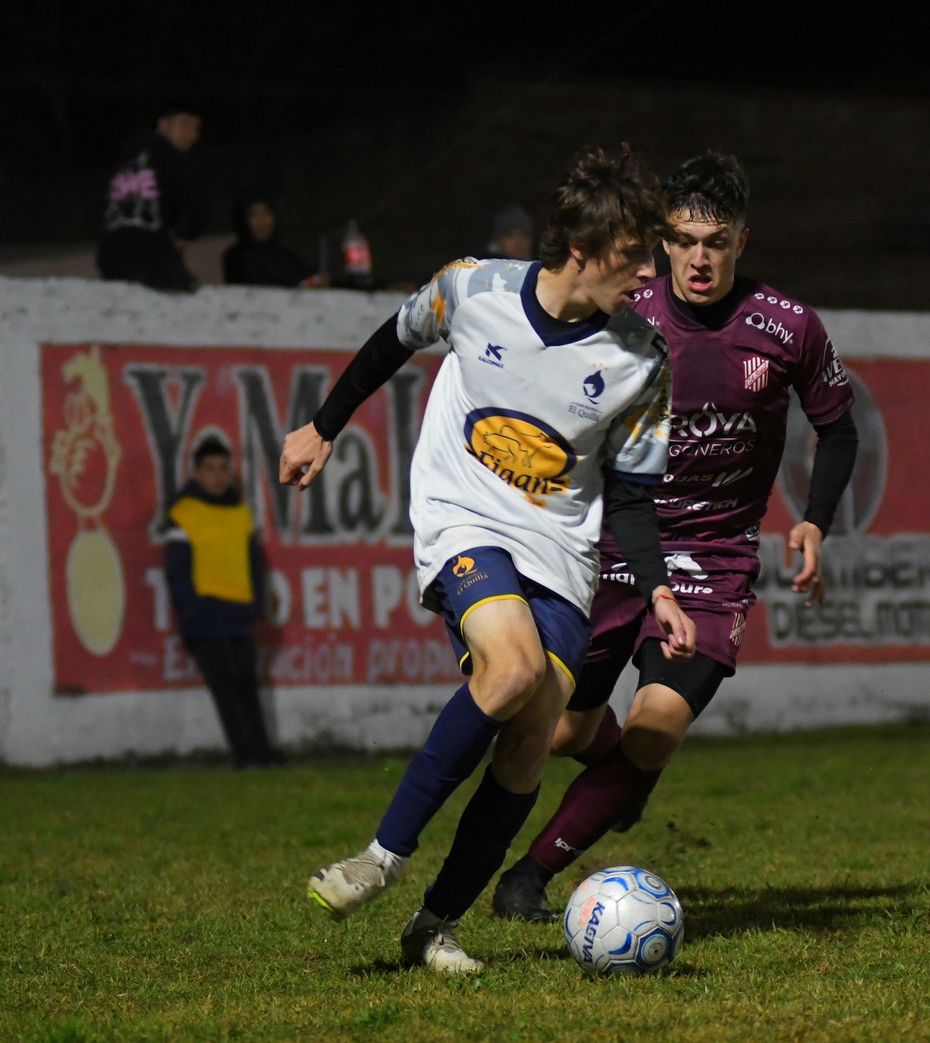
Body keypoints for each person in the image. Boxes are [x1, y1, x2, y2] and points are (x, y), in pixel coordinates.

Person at [279, 144, 697, 974]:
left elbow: (633, 496)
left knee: (530, 740)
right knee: (509, 671)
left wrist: (657, 589)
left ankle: (433, 924)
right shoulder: (472, 289)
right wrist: (323, 426)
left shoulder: (643, 360)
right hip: (462, 519)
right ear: (581, 248)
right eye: (632, 255)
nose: (650, 273)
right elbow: (392, 339)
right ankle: (380, 857)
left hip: (560, 555)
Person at [490, 150, 860, 922]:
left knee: (656, 729)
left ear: (741, 241)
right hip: (615, 547)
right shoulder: (623, 316)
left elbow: (838, 428)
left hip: (714, 560)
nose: (699, 258)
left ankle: (527, 877)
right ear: (661, 241)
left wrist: (814, 520)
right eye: (685, 241)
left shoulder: (788, 327)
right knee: (563, 732)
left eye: (716, 242)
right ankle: (617, 778)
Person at [164, 435, 283, 767]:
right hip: (205, 616)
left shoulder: (241, 514)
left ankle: (261, 753)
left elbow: (254, 566)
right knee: (226, 689)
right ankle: (244, 755)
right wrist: (190, 612)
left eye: (223, 469)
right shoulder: (184, 514)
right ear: (196, 473)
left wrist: (256, 606)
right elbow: (176, 571)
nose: (217, 476)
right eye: (210, 469)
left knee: (247, 686)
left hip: (239, 613)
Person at [96, 105, 209, 292]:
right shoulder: (174, 157)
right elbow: (199, 206)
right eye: (184, 124)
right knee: (184, 296)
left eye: (196, 128)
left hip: (110, 254)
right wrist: (184, 234)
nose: (192, 134)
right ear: (163, 124)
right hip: (153, 253)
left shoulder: (128, 153)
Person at [221, 186, 325, 288]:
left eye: (267, 212)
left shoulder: (283, 255)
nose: (261, 220)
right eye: (253, 214)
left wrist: (318, 279)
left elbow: (308, 276)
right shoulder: (236, 257)